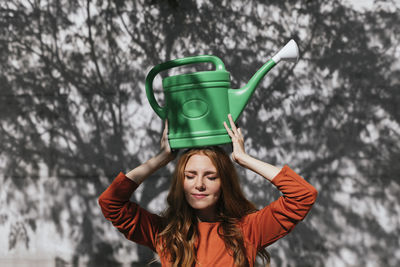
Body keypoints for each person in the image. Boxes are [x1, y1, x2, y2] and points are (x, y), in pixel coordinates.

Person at [98, 114, 318, 267]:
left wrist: (244, 159)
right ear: (180, 183)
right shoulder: (165, 233)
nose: (199, 184)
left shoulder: (248, 231)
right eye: (190, 176)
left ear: (225, 184)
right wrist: (160, 159)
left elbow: (302, 195)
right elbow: (111, 203)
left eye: (210, 176)